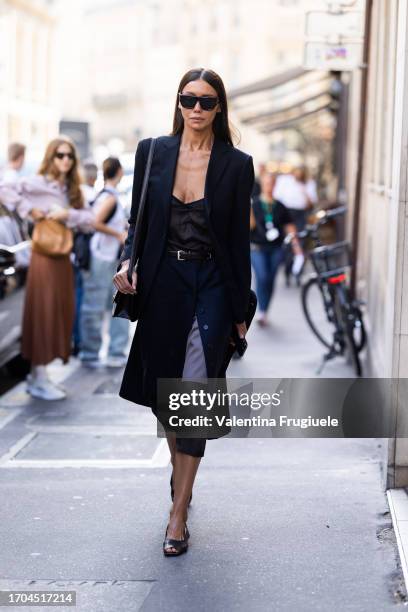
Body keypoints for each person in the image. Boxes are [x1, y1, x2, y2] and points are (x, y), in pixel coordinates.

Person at [113, 67, 254, 556]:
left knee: (192, 392)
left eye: (207, 101)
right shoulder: (153, 151)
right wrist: (128, 262)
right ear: (178, 103)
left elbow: (239, 242)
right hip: (162, 283)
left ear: (220, 108)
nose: (196, 108)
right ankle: (182, 480)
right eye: (188, 99)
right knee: (165, 396)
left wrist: (241, 308)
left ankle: (178, 515)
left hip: (212, 283)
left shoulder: (237, 165)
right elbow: (138, 221)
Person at [0, 137, 94, 400]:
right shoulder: (37, 182)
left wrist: (67, 215)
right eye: (60, 155)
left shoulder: (72, 189)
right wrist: (33, 210)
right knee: (42, 314)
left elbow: (89, 220)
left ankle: (40, 376)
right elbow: (4, 188)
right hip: (43, 257)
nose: (65, 160)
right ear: (51, 157)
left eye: (69, 156)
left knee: (59, 315)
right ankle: (37, 376)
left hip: (63, 258)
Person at [79, 157, 129, 368]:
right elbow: (95, 222)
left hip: (106, 257)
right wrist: (119, 235)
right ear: (118, 172)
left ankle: (102, 352)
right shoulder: (110, 197)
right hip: (103, 257)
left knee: (107, 305)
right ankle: (94, 353)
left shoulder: (107, 194)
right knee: (98, 306)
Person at [250, 171, 302, 327]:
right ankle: (260, 310)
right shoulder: (254, 205)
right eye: (266, 183)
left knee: (271, 279)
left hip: (276, 248)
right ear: (262, 184)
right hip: (257, 248)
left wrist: (297, 248)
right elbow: (249, 227)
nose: (269, 186)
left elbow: (290, 228)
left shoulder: (280, 206)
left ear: (275, 185)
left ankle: (265, 310)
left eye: (272, 183)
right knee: (262, 276)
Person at [72, 161, 99, 355]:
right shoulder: (90, 195)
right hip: (86, 252)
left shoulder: (77, 193)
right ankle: (80, 341)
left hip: (73, 252)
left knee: (77, 296)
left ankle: (76, 341)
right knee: (84, 298)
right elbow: (92, 224)